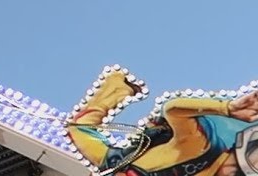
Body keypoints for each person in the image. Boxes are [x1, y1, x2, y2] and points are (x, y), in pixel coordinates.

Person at [68, 70, 258, 176]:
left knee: (78, 128)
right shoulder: (197, 148)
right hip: (119, 160)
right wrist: (226, 108)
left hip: (113, 166)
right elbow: (173, 109)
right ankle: (119, 87)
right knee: (77, 128)